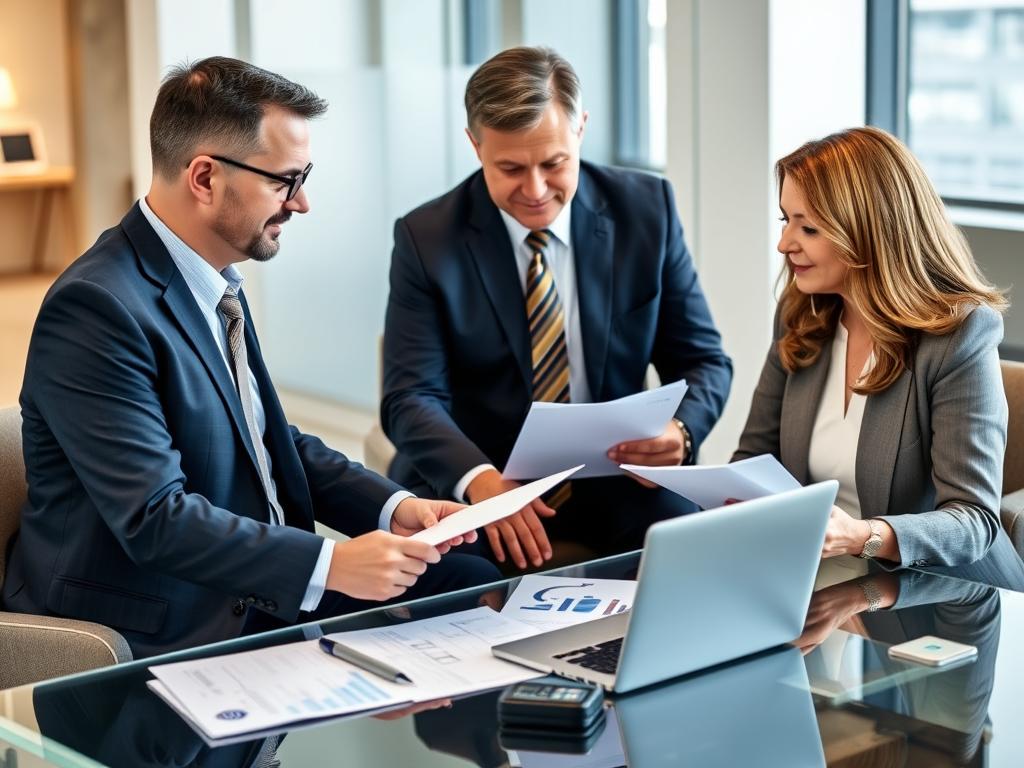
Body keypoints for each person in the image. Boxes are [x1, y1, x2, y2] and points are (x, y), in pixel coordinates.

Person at [1, 57, 498, 659]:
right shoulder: (94, 308)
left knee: (471, 581)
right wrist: (332, 563)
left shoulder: (215, 281)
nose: (302, 202)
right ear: (205, 177)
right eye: (284, 180)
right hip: (149, 623)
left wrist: (394, 507)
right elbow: (155, 518)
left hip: (247, 586)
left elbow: (265, 440)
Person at [381, 46, 732, 570]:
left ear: (581, 129)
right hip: (484, 478)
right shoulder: (427, 237)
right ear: (475, 146)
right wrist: (483, 481)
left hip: (618, 477)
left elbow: (704, 360)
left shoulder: (646, 210)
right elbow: (410, 397)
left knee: (699, 560)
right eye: (511, 168)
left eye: (554, 163)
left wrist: (679, 432)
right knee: (454, 584)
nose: (536, 190)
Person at [733, 125, 1009, 568]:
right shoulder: (801, 315)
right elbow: (754, 458)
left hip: (933, 592)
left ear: (868, 230)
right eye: (786, 220)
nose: (784, 244)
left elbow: (973, 520)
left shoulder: (960, 334)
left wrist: (861, 536)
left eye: (809, 228)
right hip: (817, 575)